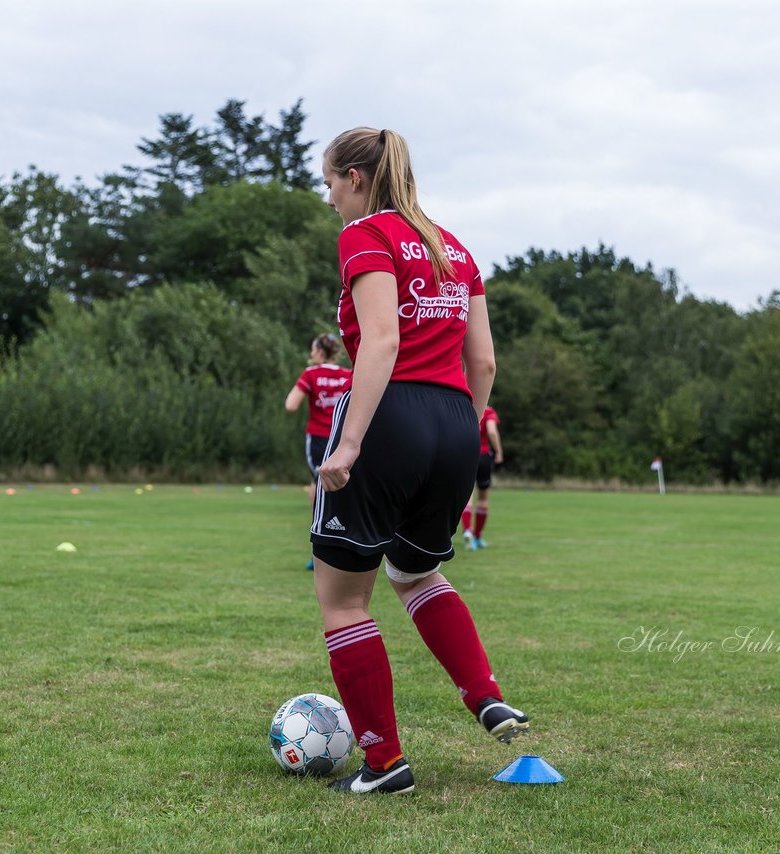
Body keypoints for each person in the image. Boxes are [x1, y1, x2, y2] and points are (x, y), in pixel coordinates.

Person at [311, 127, 528, 795]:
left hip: (390, 415)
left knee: (345, 603)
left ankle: (384, 765)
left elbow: (381, 339)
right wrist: (463, 427)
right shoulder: (454, 246)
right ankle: (487, 696)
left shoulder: (366, 235)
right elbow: (484, 361)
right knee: (415, 571)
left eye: (328, 183)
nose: (327, 200)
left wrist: (347, 445)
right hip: (457, 420)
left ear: (355, 177)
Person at [285, 334, 352, 569]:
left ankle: (320, 553)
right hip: (344, 441)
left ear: (319, 352)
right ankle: (345, 546)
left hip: (318, 440)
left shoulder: (311, 374)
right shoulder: (347, 374)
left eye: (313, 349)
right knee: (339, 488)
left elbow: (290, 405)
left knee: (320, 489)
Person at [461, 405, 503, 551]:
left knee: (468, 497)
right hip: (483, 455)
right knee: (483, 499)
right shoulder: (488, 410)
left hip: (466, 454)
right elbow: (491, 431)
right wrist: (498, 451)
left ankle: (467, 531)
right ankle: (478, 536)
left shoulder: (464, 407)